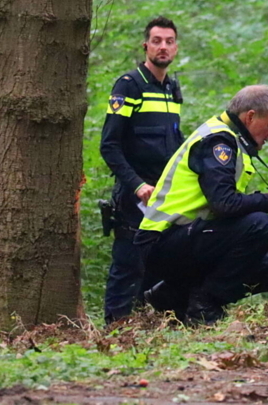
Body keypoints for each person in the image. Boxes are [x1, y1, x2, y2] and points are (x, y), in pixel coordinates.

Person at [136, 84, 268, 325]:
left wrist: (249, 244)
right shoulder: (218, 141)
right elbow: (224, 203)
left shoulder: (232, 140)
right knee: (259, 223)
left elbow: (221, 209)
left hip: (188, 237)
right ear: (251, 116)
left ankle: (171, 297)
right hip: (161, 241)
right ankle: (204, 306)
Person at [99, 16, 184, 323]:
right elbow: (109, 145)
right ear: (146, 45)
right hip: (135, 194)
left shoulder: (172, 88)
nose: (163, 47)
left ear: (175, 48)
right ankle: (115, 333)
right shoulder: (129, 86)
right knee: (128, 264)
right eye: (157, 41)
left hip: (166, 194)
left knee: (160, 263)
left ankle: (148, 329)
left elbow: (175, 143)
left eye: (169, 42)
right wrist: (137, 185)